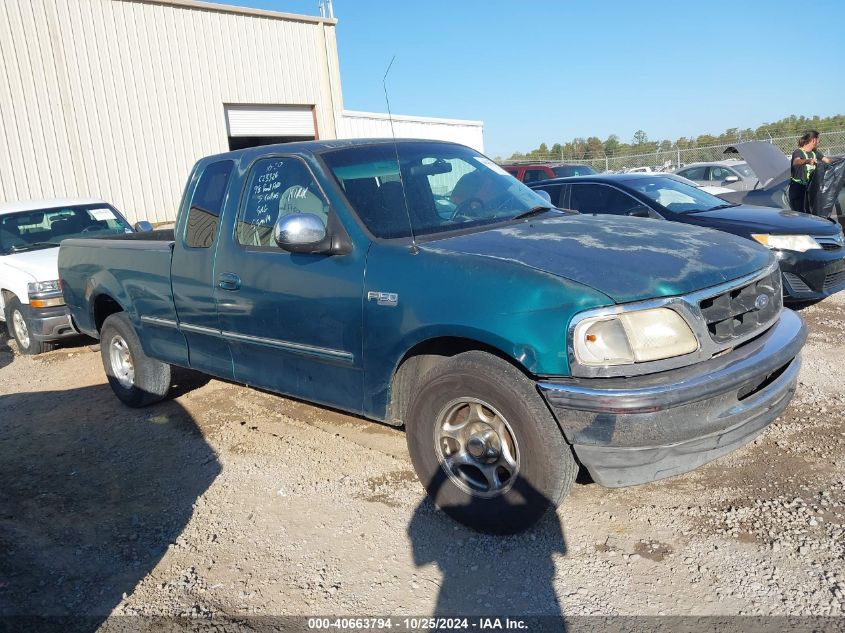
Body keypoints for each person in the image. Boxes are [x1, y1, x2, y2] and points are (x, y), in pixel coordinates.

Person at [789, 130, 833, 213]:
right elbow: (796, 162)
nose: (819, 142)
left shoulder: (815, 153)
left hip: (809, 191)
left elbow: (828, 161)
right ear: (813, 140)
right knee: (801, 217)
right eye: (818, 140)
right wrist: (807, 161)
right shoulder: (798, 152)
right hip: (798, 191)